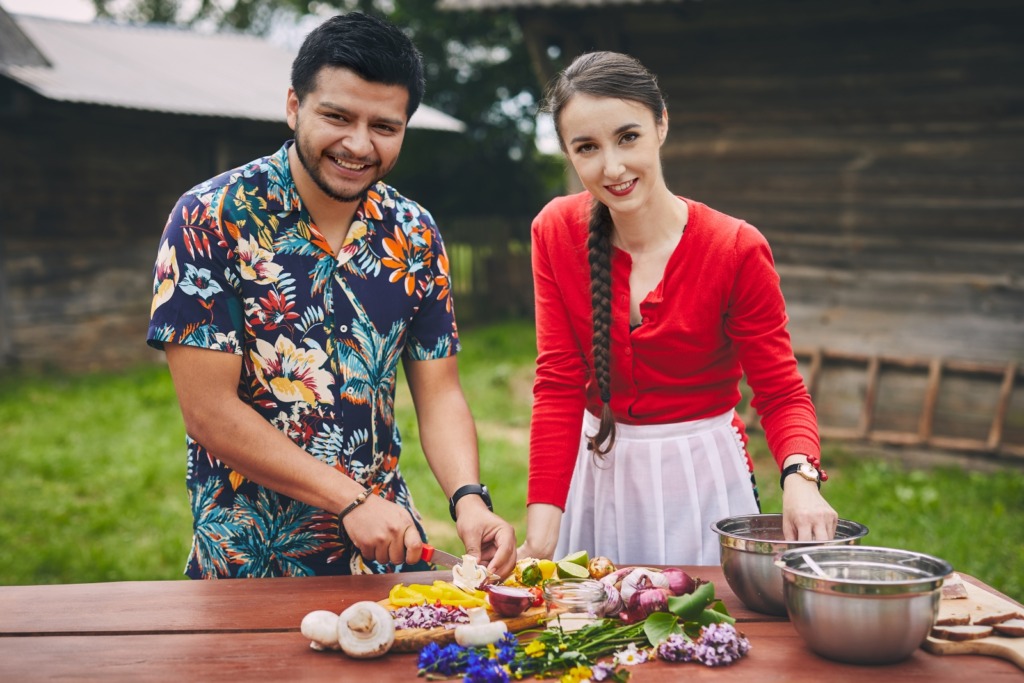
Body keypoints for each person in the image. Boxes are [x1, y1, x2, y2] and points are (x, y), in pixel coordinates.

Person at [147, 12, 515, 579]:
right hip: (249, 563)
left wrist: (469, 499)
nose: (358, 144)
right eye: (337, 117)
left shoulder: (415, 232)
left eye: (385, 126)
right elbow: (208, 412)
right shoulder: (209, 218)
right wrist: (351, 499)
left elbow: (440, 393)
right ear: (294, 106)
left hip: (387, 560)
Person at [518, 51, 838, 566]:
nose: (612, 167)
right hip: (593, 475)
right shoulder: (554, 231)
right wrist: (541, 529)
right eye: (587, 147)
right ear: (568, 154)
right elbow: (558, 382)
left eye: (628, 137)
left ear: (661, 124)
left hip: (701, 479)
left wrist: (800, 479)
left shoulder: (735, 248)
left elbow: (780, 392)